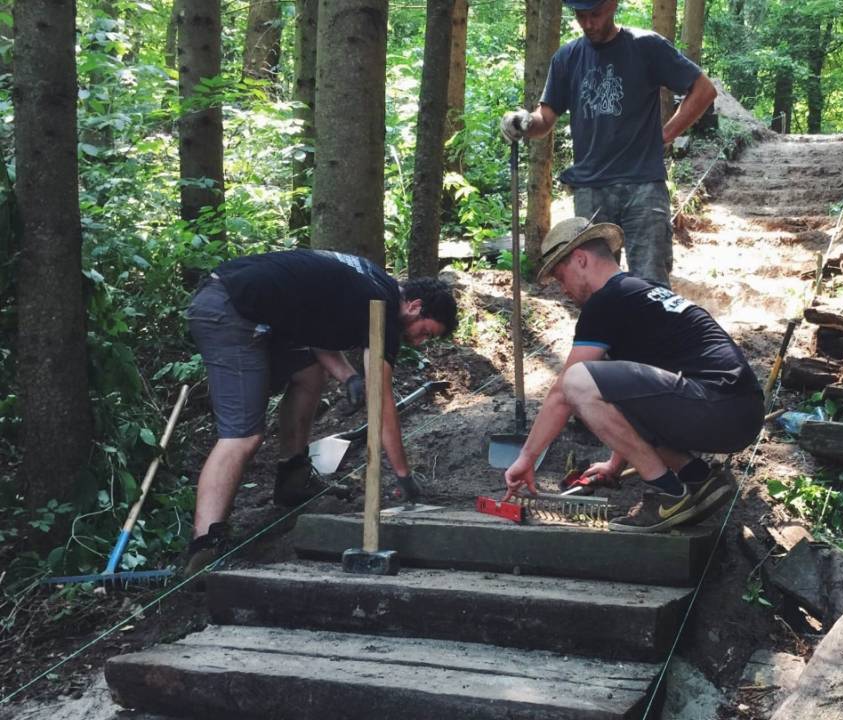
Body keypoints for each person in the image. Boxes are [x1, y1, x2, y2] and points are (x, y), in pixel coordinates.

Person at [183, 249, 457, 572]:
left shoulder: (371, 284)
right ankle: (205, 547)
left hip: (239, 302)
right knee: (242, 437)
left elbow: (312, 331)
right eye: (425, 332)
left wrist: (349, 376)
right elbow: (380, 401)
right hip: (231, 312)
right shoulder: (381, 310)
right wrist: (403, 475)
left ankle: (293, 477)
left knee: (310, 373)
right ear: (415, 306)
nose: (420, 342)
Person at [504, 217, 763, 533]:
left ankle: (670, 493)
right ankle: (697, 477)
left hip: (716, 404)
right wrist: (615, 464)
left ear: (581, 259)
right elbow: (635, 400)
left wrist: (527, 457)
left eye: (561, 277)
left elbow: (564, 392)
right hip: (738, 411)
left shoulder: (606, 301)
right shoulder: (642, 292)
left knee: (576, 381)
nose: (563, 289)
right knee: (599, 386)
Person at [500, 0, 718, 289]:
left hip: (643, 184)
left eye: (595, 14)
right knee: (594, 289)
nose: (588, 24)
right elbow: (545, 119)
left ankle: (648, 320)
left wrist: (664, 135)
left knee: (651, 287)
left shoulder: (646, 46)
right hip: (590, 188)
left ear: (613, 5)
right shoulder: (567, 58)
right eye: (581, 16)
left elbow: (703, 90)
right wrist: (525, 121)